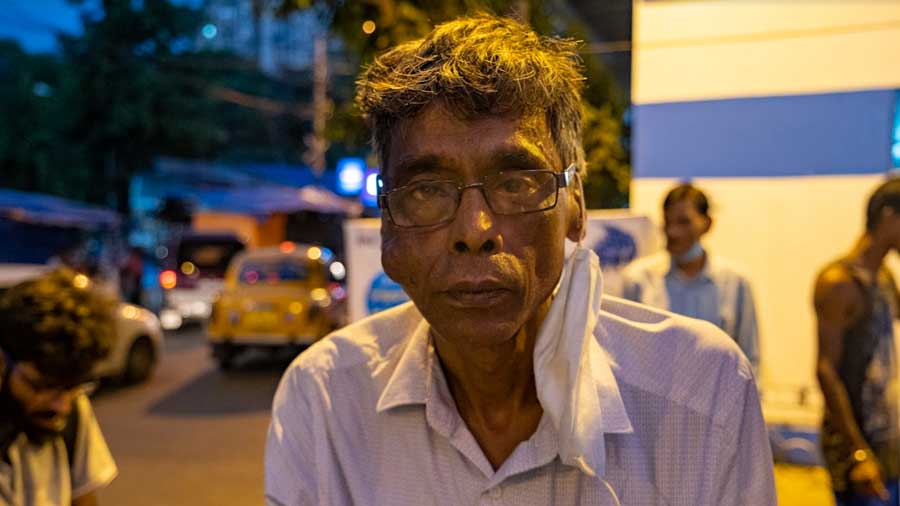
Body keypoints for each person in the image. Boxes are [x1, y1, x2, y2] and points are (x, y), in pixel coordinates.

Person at [265, 14, 775, 505]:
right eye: (427, 190)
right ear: (388, 231)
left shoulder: (702, 393)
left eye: (515, 183)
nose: (474, 231)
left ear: (575, 210)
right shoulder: (324, 402)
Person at [0, 268, 118, 505]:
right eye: (40, 387)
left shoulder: (73, 406)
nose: (61, 406)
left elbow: (84, 498)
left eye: (71, 388)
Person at [815, 178, 900, 506]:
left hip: (890, 447)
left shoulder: (884, 278)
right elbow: (825, 371)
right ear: (889, 216)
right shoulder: (838, 283)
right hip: (860, 454)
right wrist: (858, 453)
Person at [622, 184, 760, 372]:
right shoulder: (639, 280)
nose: (673, 232)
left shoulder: (735, 283)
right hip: (657, 399)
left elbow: (750, 359)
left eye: (684, 222)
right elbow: (627, 355)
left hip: (716, 399)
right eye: (668, 222)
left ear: (707, 223)